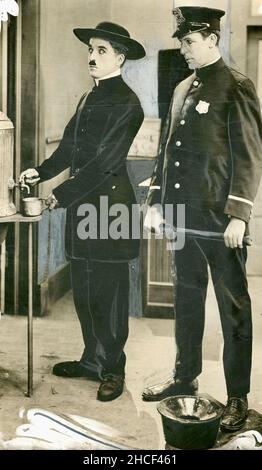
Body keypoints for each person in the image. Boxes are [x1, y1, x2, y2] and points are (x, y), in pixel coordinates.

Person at [142, 6, 262, 432]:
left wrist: (239, 216)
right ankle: (184, 376)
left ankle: (237, 398)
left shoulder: (236, 87)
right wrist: (155, 202)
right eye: (180, 42)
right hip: (182, 220)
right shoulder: (181, 88)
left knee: (233, 311)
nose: (183, 49)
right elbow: (166, 152)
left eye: (190, 41)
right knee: (187, 302)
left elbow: (249, 157)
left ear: (212, 39)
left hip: (219, 223)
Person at [20, 22, 145, 401]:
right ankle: (92, 358)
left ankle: (113, 368)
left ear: (120, 57)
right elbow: (70, 149)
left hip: (111, 210)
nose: (91, 56)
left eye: (101, 50)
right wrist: (39, 172)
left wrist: (59, 194)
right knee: (85, 289)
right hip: (84, 207)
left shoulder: (128, 103)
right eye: (90, 49)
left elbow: (106, 162)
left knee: (110, 293)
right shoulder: (89, 98)